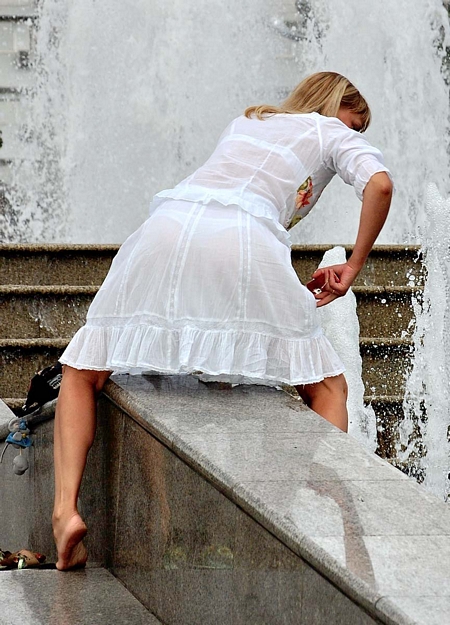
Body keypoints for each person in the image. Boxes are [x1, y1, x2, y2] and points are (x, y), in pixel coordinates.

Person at [52, 71, 393, 570]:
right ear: (334, 106)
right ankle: (300, 527)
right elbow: (380, 185)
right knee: (327, 387)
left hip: (165, 228)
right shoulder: (327, 129)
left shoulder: (250, 121)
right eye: (354, 123)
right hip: (244, 236)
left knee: (84, 368)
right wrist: (355, 264)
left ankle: (64, 512)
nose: (354, 135)